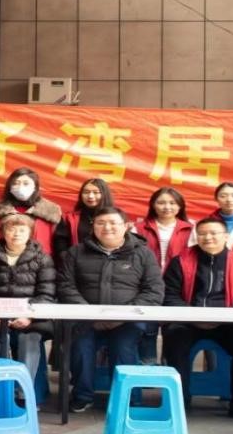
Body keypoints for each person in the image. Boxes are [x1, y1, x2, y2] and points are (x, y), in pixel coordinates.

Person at [57, 206, 164, 413]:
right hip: (85, 318)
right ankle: (82, 396)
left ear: (126, 226)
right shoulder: (76, 252)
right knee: (80, 346)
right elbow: (65, 286)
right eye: (101, 223)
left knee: (124, 347)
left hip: (128, 320)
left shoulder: (143, 253)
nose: (107, 227)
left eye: (113, 223)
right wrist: (89, 313)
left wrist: (123, 316)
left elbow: (154, 291)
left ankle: (128, 398)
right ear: (93, 227)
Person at [161, 217, 233, 419]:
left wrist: (222, 318)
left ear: (226, 236)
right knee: (174, 346)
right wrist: (193, 317)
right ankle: (179, 404)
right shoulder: (180, 262)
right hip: (187, 321)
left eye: (213, 233)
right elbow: (170, 296)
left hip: (227, 323)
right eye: (202, 233)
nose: (208, 237)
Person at [0, 213, 55, 382]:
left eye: (22, 230)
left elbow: (46, 293)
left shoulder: (43, 258)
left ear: (30, 233)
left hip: (31, 318)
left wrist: (29, 317)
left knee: (29, 339)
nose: (16, 234)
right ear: (2, 232)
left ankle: (24, 389)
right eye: (11, 229)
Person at [132, 187, 195, 365]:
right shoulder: (138, 228)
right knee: (148, 330)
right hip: (146, 286)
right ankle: (148, 367)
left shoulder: (191, 229)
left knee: (174, 330)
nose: (167, 207)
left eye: (172, 203)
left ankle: (170, 368)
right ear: (153, 205)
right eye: (161, 202)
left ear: (180, 206)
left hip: (178, 287)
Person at [0, 167, 62, 256]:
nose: (20, 187)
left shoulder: (50, 212)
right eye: (16, 183)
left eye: (26, 183)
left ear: (35, 187)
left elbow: (58, 244)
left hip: (41, 261)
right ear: (9, 187)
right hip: (4, 260)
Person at [53, 177, 115, 262]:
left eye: (96, 192)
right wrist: (67, 258)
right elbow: (60, 242)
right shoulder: (69, 218)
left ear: (104, 194)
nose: (90, 196)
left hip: (108, 263)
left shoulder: (115, 218)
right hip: (77, 263)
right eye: (86, 192)